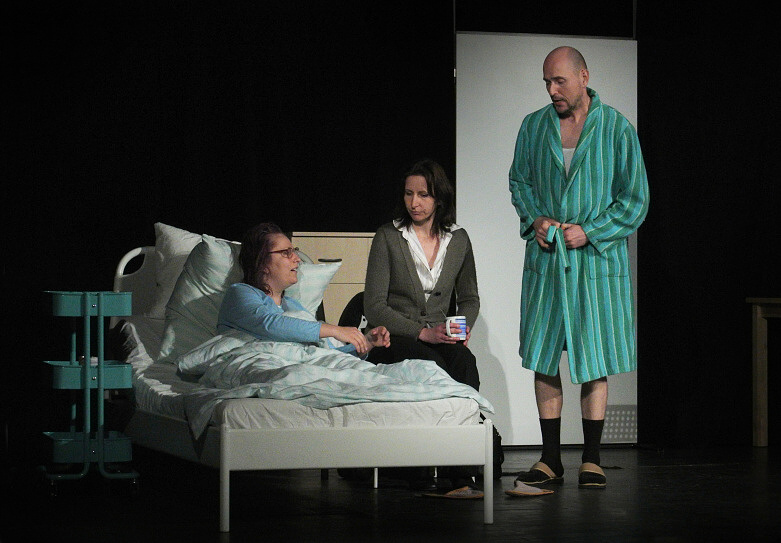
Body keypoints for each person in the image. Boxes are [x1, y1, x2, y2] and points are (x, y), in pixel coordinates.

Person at [508, 46, 649, 490]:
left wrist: (592, 231)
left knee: (594, 356)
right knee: (544, 355)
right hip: (548, 260)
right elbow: (519, 182)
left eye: (560, 81)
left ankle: (592, 458)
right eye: (547, 82)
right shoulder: (534, 126)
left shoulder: (617, 128)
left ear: (583, 76)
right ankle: (550, 458)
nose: (552, 90)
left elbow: (635, 200)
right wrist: (536, 219)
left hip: (594, 261)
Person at [364, 158, 493, 495]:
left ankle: (462, 471)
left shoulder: (458, 239)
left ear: (439, 198)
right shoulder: (388, 236)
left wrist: (461, 329)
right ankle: (423, 462)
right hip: (396, 337)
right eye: (409, 194)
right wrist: (420, 332)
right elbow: (374, 306)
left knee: (464, 363)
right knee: (429, 364)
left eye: (423, 194)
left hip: (438, 334)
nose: (415, 202)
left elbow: (469, 298)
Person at [218, 222, 390, 357]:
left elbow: (327, 356)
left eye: (294, 251)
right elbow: (269, 324)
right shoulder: (240, 294)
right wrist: (335, 330)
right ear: (262, 262)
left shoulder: (294, 307)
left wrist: (367, 343)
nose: (297, 259)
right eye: (287, 252)